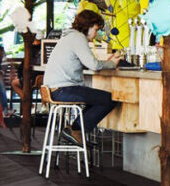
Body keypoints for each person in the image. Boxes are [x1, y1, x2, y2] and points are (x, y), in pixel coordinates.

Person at [43, 10, 121, 144]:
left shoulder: (69, 37)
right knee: (108, 99)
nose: (96, 34)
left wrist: (104, 63)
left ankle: (74, 131)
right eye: (96, 29)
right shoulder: (78, 38)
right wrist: (112, 64)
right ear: (88, 26)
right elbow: (94, 65)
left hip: (55, 88)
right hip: (63, 89)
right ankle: (76, 130)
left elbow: (85, 63)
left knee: (95, 99)